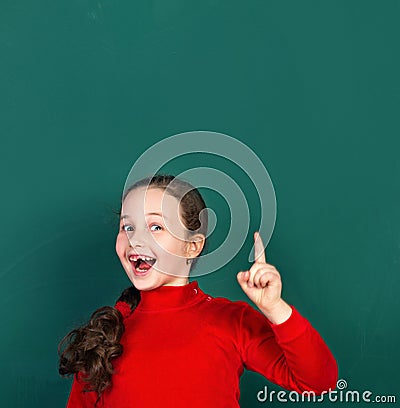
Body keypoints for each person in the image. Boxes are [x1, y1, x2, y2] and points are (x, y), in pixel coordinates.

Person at [58, 174, 338, 407]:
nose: (136, 239)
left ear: (192, 246)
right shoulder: (104, 336)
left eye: (156, 226)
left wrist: (277, 309)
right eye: (128, 227)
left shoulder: (232, 321)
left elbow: (318, 382)